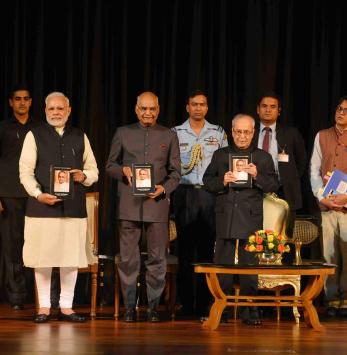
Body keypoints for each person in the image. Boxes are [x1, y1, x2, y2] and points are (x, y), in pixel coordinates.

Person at [19, 92, 98, 323]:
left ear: (68, 110)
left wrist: (83, 175)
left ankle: (66, 306)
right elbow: (25, 172)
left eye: (60, 109)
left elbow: (93, 170)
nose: (56, 112)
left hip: (73, 208)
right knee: (42, 259)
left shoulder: (79, 135)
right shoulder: (34, 135)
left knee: (70, 258)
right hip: (41, 208)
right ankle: (43, 306)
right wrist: (37, 194)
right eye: (51, 109)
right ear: (45, 111)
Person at [106, 91, 180, 322]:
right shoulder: (123, 133)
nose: (148, 113)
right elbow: (110, 165)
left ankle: (153, 307)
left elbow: (176, 173)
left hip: (156, 205)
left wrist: (163, 189)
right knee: (129, 260)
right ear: (136, 109)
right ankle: (129, 306)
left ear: (158, 109)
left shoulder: (168, 135)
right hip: (129, 205)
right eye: (143, 109)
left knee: (157, 259)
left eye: (152, 109)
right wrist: (122, 171)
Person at [203, 114, 279, 325]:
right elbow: (207, 182)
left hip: (250, 216)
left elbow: (273, 185)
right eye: (238, 131)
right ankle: (222, 308)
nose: (242, 136)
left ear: (253, 133)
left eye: (246, 132)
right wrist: (222, 180)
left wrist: (257, 176)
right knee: (223, 264)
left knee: (249, 266)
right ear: (232, 131)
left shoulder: (263, 157)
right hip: (226, 214)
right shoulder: (220, 155)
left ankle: (251, 309)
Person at [172, 90, 228, 319]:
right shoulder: (175, 133)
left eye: (202, 104)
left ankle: (206, 303)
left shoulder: (218, 132)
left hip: (209, 195)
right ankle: (186, 305)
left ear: (207, 108)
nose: (198, 108)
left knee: (207, 251)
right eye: (194, 104)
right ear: (187, 107)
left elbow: (225, 162)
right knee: (184, 252)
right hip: (184, 193)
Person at [0, 84, 39, 310]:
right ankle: (16, 296)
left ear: (31, 102)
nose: (22, 102)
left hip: (34, 194)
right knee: (12, 246)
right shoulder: (3, 128)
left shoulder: (40, 128)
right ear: (11, 102)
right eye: (18, 99)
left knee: (35, 244)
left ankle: (39, 296)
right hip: (9, 195)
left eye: (26, 98)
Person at [310, 96, 347, 318]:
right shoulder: (322, 136)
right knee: (329, 255)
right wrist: (321, 196)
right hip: (327, 206)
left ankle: (346, 299)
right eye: (339, 108)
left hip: (346, 206)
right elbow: (314, 170)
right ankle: (331, 299)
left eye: (346, 110)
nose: (341, 112)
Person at [254, 92, 307, 239]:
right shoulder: (249, 132)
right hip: (255, 189)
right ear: (258, 109)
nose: (268, 110)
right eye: (264, 106)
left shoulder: (291, 133)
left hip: (285, 191)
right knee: (257, 236)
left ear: (279, 111)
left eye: (273, 107)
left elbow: (301, 162)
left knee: (285, 237)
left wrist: (289, 179)